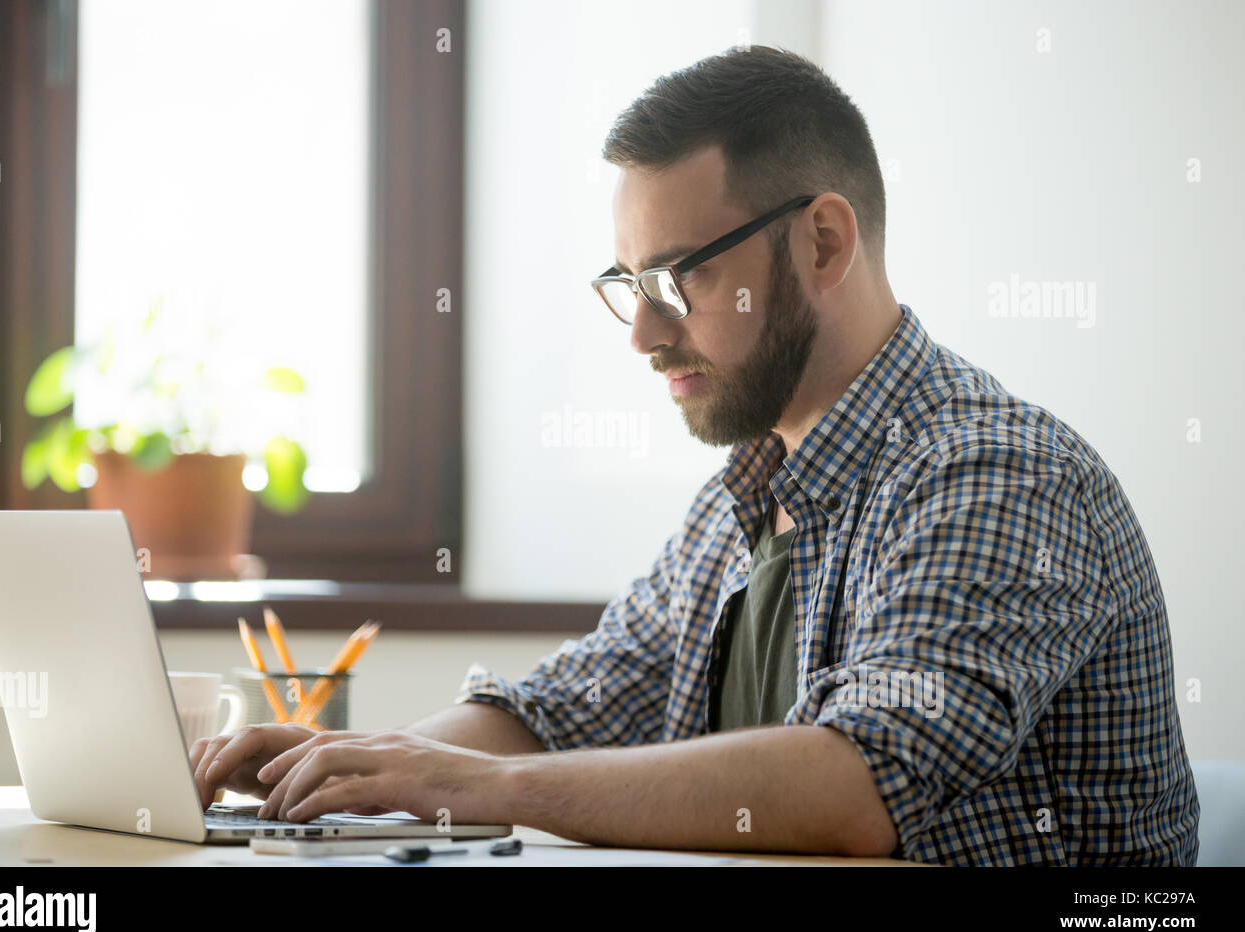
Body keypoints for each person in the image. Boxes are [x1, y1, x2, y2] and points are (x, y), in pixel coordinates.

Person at [192, 45, 1198, 865]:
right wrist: (360, 762)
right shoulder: (742, 500)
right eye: (628, 284)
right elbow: (562, 711)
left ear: (822, 245)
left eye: (679, 279)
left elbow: (858, 783)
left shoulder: (995, 472)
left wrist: (479, 790)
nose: (642, 332)